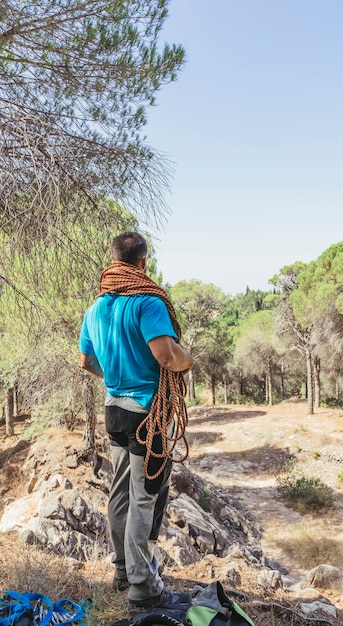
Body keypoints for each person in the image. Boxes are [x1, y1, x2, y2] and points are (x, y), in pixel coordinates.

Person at [79, 231, 194, 611]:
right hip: (148, 413)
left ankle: (123, 571)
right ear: (143, 263)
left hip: (113, 409)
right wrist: (188, 361)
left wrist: (115, 376)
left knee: (120, 493)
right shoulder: (148, 303)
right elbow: (165, 356)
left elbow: (86, 362)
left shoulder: (94, 310)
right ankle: (143, 588)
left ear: (114, 260)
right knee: (144, 499)